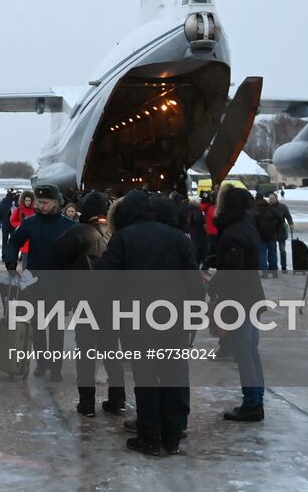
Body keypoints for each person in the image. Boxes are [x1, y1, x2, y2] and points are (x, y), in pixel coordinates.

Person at [97, 190, 202, 457]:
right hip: (175, 319)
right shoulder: (178, 237)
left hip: (138, 320)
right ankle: (172, 437)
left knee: (146, 378)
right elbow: (194, 281)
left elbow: (105, 279)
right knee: (174, 376)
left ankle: (149, 438)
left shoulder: (123, 237)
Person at [51, 191, 127, 417]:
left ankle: (87, 404)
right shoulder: (116, 233)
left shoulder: (78, 232)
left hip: (86, 301)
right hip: (112, 302)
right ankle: (118, 400)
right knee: (112, 352)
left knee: (86, 353)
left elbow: (57, 253)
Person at [2, 184, 76, 381]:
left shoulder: (68, 227)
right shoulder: (31, 224)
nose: (41, 205)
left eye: (45, 202)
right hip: (35, 284)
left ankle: (56, 368)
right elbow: (13, 241)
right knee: (38, 326)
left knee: (57, 328)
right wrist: (11, 262)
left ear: (56, 202)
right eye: (39, 202)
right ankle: (42, 364)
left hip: (60, 284)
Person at [210, 186, 266, 422]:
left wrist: (212, 285)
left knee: (243, 352)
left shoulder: (233, 232)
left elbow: (232, 270)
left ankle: (252, 403)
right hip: (252, 296)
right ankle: (257, 400)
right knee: (251, 351)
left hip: (240, 300)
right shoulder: (248, 227)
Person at [252, 194, 283, 277]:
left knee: (262, 254)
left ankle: (264, 272)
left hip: (261, 235)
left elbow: (253, 223)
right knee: (273, 253)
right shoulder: (269, 207)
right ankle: (274, 272)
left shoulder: (255, 209)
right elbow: (280, 218)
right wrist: (276, 229)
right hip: (272, 234)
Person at [269, 193, 293, 273]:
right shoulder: (267, 207)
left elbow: (288, 217)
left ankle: (283, 266)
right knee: (272, 250)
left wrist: (291, 224)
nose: (270, 200)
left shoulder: (283, 207)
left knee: (282, 250)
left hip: (281, 231)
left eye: (272, 199)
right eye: (269, 199)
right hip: (271, 231)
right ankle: (273, 266)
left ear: (276, 198)